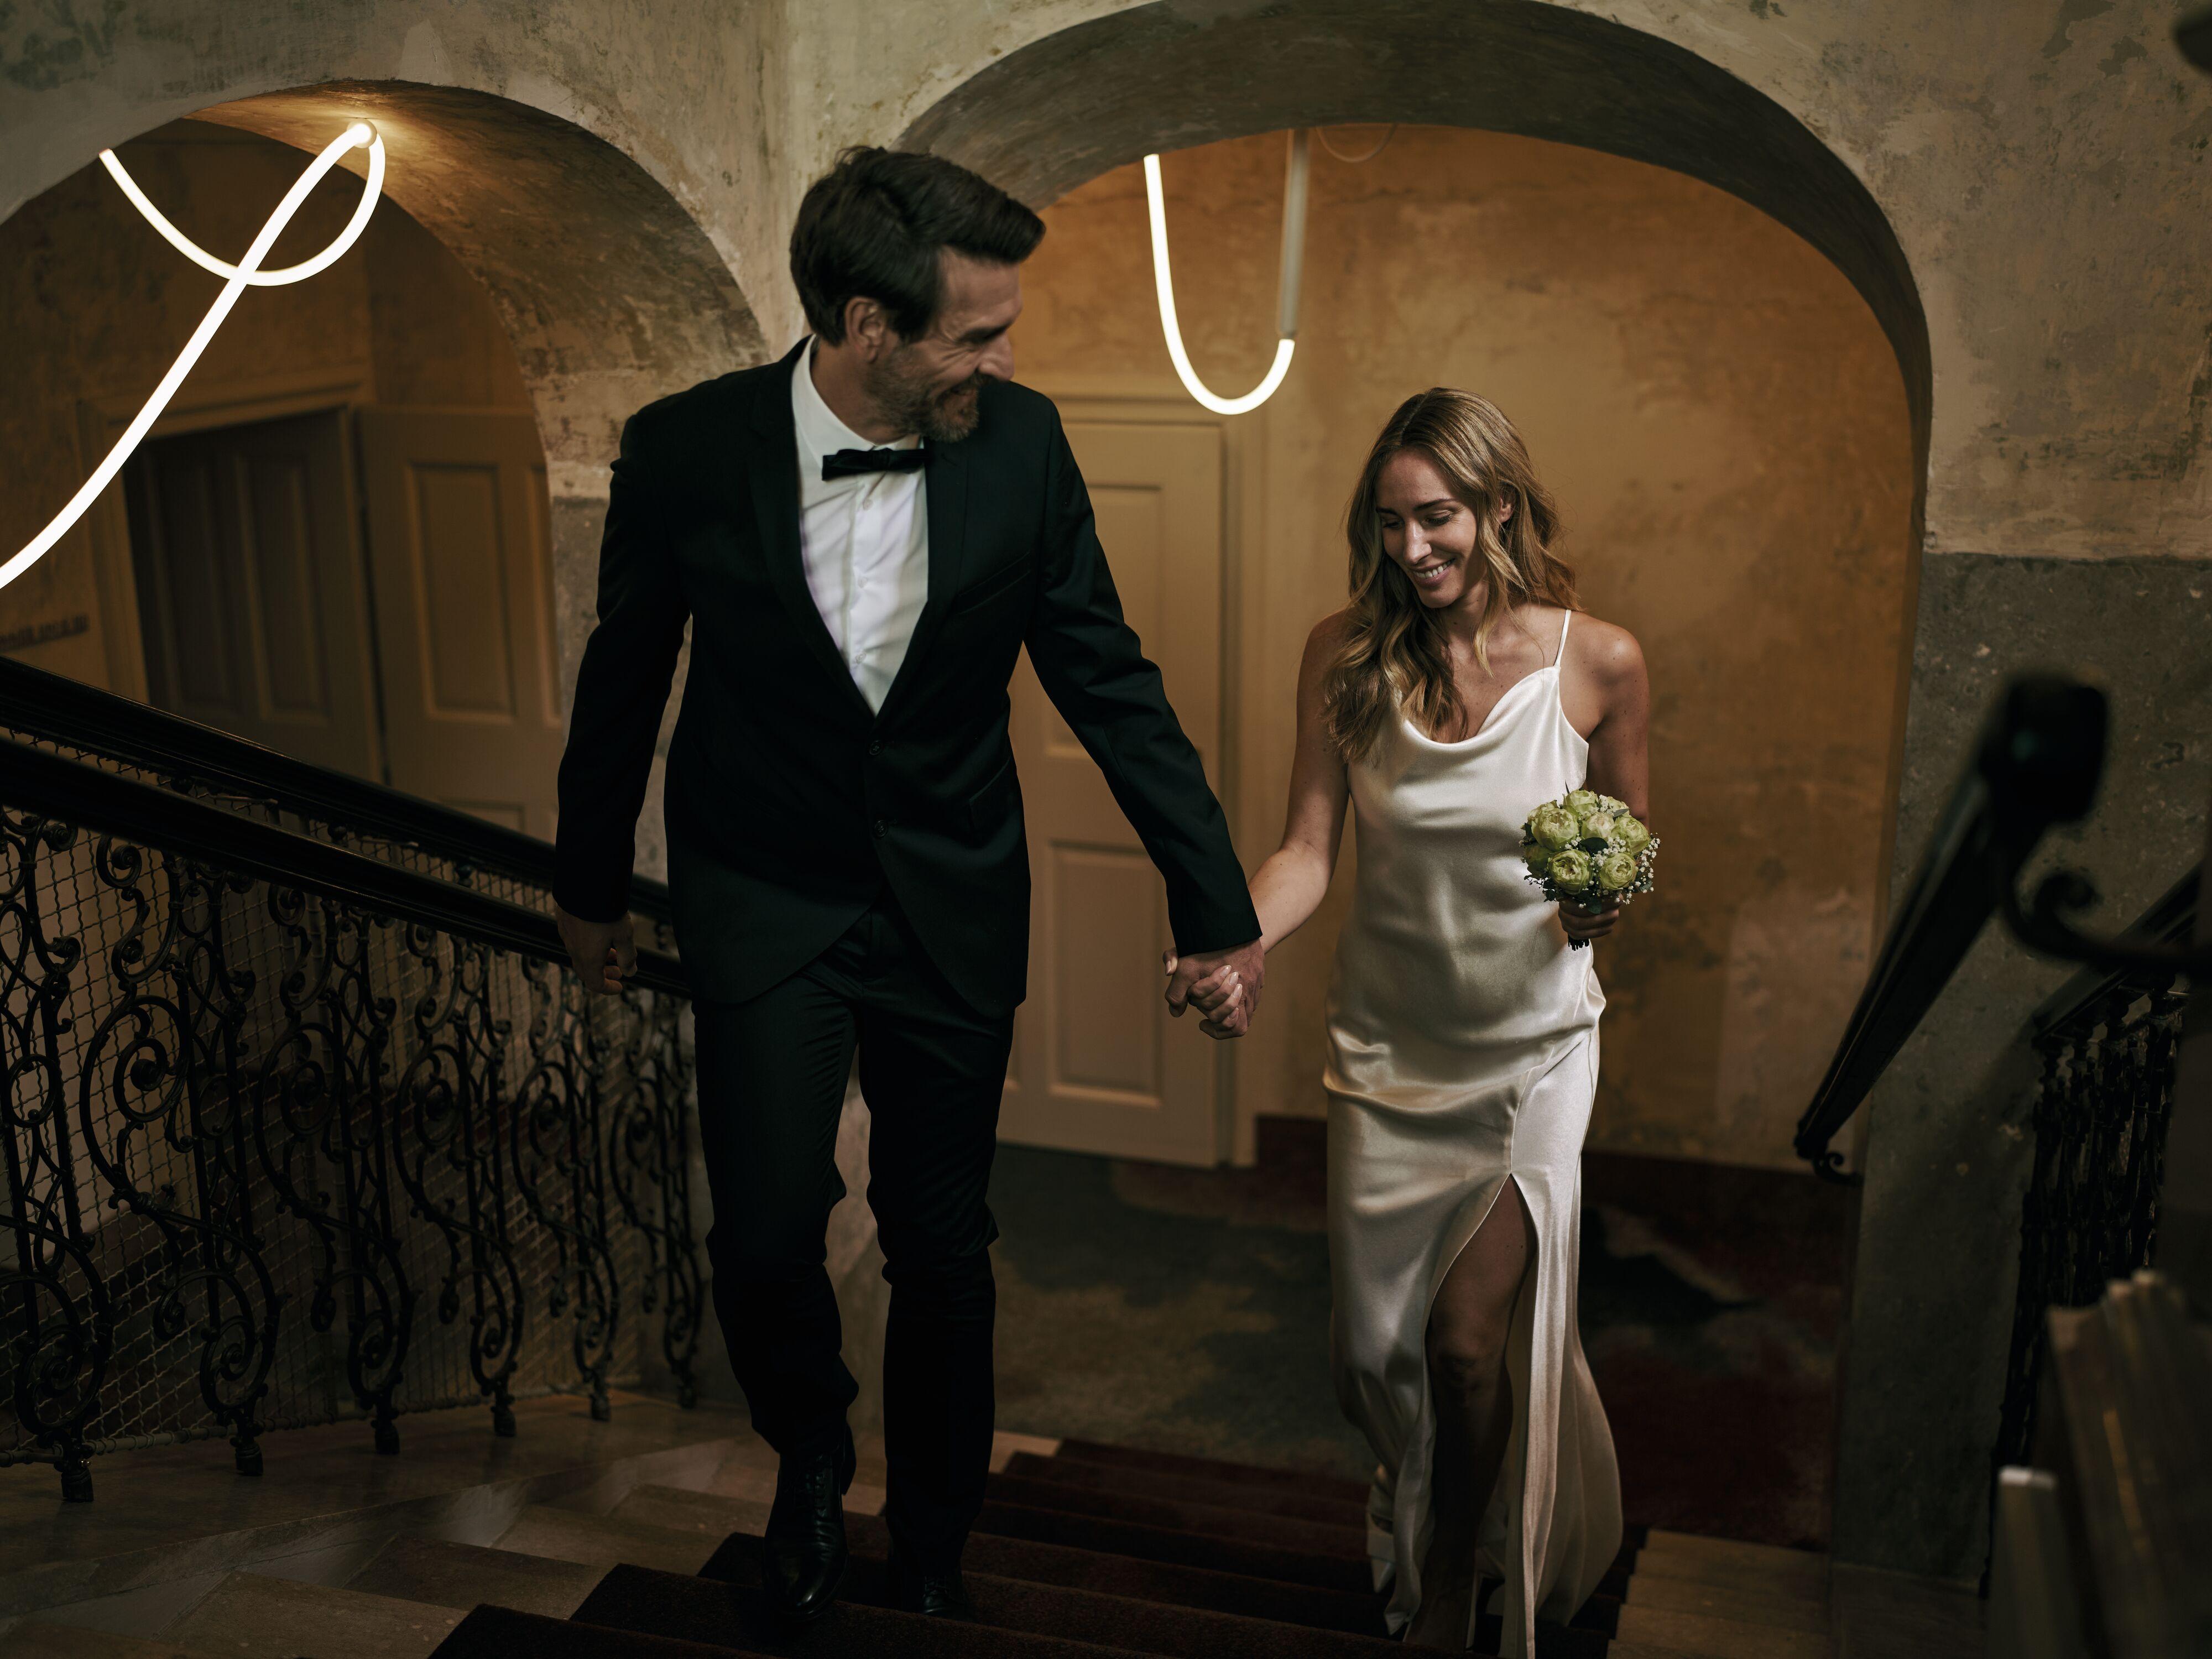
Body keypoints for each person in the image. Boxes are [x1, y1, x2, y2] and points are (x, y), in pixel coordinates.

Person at [550, 147, 1262, 1623]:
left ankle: (935, 1533)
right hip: (764, 898)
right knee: (762, 1232)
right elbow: (622, 682)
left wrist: (1214, 904)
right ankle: (809, 1451)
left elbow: (1107, 681)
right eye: (976, 334)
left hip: (949, 895)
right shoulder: (685, 449)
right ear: (867, 323)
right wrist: (589, 887)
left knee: (942, 1244)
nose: (1005, 358)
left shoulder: (1025, 444)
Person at [1191, 389, 1644, 1652]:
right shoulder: (1342, 656)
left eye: (1435, 517)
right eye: (1388, 523)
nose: (1410, 548)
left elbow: (1624, 855)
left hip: (1528, 1055)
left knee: (1461, 1345)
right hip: (1386, 1055)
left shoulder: (1598, 663)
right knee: (1374, 1358)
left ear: (1496, 507)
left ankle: (1451, 1576)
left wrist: (1598, 896)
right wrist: (1238, 938)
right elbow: (1305, 850)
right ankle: (1436, 1492)